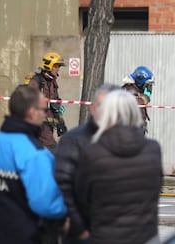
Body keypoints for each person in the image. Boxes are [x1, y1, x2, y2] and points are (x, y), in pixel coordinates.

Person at [75, 90, 163, 244]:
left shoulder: (92, 152)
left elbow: (82, 197)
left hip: (105, 235)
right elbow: (155, 190)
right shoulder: (153, 150)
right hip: (145, 236)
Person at [0, 85, 67, 244]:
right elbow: (46, 204)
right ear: (32, 112)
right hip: (24, 234)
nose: (45, 115)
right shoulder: (34, 153)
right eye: (44, 110)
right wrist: (66, 211)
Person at [55, 84, 120, 244]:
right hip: (83, 232)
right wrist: (79, 229)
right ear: (92, 108)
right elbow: (63, 186)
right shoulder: (73, 141)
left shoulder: (131, 141)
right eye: (102, 106)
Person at [29, 52, 67, 152]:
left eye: (59, 66)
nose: (58, 69)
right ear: (48, 65)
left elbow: (55, 104)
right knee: (53, 149)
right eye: (56, 66)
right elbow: (29, 100)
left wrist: (61, 122)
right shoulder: (36, 81)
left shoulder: (52, 82)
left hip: (48, 125)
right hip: (39, 125)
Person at [121, 65, 154, 133]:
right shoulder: (131, 92)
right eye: (147, 85)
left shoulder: (130, 90)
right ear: (141, 82)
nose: (148, 88)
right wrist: (145, 97)